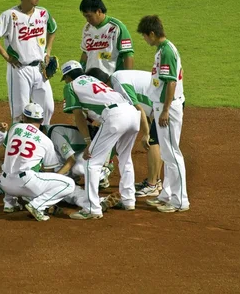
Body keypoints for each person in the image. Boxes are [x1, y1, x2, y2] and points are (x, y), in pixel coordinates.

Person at [61, 60, 140, 219]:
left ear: (68, 76)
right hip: (132, 114)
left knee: (91, 162)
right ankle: (128, 199)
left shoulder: (71, 86)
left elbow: (79, 117)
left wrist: (88, 142)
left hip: (115, 117)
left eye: (66, 78)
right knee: (125, 157)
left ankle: (92, 208)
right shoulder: (94, 80)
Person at [0, 0, 57, 124]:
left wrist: (47, 51)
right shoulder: (9, 15)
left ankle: (42, 141)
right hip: (19, 70)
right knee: (19, 113)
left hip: (40, 69)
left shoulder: (43, 13)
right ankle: (15, 144)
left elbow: (53, 29)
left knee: (48, 108)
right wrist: (6, 56)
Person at [137, 15, 190, 213]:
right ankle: (167, 194)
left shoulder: (167, 51)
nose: (144, 39)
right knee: (168, 154)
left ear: (152, 33)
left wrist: (165, 110)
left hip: (168, 107)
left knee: (173, 153)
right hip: (163, 106)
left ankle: (180, 200)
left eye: (144, 35)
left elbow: (171, 83)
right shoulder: (163, 49)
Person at [0, 103, 76, 222]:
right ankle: (37, 205)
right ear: (42, 120)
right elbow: (49, 170)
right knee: (69, 184)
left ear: (23, 117)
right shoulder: (45, 140)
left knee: (12, 163)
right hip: (25, 183)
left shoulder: (14, 128)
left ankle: (9, 204)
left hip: (4, 183)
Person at [109, 69, 164, 197]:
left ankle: (151, 186)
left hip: (164, 102)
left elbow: (138, 109)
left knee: (153, 142)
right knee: (157, 140)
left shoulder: (118, 84)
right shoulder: (118, 76)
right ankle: (156, 181)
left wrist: (146, 133)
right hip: (160, 101)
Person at [79, 0, 134, 75]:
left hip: (111, 79)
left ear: (99, 11)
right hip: (91, 79)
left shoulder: (117, 28)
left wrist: (127, 78)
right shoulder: (87, 28)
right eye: (85, 17)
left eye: (89, 16)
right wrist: (80, 72)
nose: (87, 20)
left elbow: (128, 54)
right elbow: (85, 53)